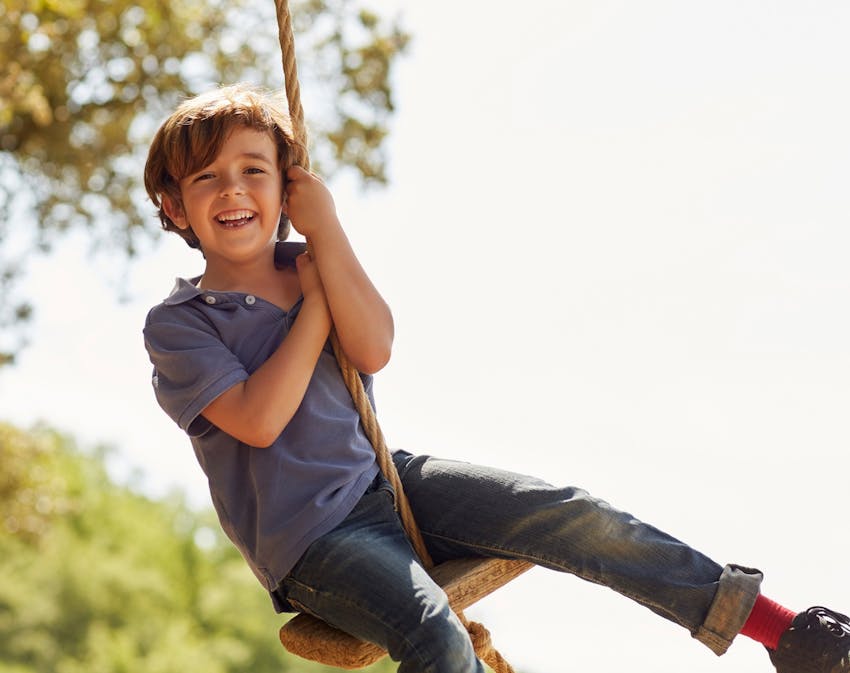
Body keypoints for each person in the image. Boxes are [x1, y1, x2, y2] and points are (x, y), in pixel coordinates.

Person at [142, 83, 850, 673]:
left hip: (386, 482)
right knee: (435, 634)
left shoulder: (315, 260)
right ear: (175, 206)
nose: (233, 189)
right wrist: (316, 300)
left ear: (287, 186)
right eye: (206, 178)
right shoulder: (180, 323)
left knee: (570, 511)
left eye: (253, 169)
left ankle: (785, 631)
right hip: (313, 542)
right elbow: (260, 419)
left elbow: (375, 346)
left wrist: (328, 238)